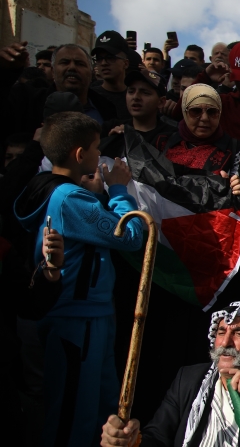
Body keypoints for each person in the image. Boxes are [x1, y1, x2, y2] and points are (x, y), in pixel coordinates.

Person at [13, 111, 143, 447]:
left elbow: (87, 234)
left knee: (101, 407)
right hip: (77, 318)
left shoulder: (58, 191)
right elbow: (130, 235)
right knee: (73, 415)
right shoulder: (69, 198)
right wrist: (118, 190)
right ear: (80, 154)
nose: (101, 155)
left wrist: (97, 197)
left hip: (90, 314)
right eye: (97, 148)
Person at [99, 302, 240, 447]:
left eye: (239, 333)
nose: (225, 343)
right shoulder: (190, 379)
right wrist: (130, 441)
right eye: (221, 332)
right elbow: (157, 438)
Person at [165, 84, 240, 175]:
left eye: (212, 112)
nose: (205, 118)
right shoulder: (163, 142)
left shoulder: (237, 151)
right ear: (184, 112)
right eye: (196, 111)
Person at [101, 68, 178, 157]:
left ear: (161, 102)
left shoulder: (171, 136)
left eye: (145, 93)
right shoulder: (112, 129)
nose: (136, 97)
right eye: (131, 91)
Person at [90, 30, 133, 121]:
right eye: (99, 58)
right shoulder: (89, 97)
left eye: (110, 57)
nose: (103, 63)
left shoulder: (136, 98)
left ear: (126, 63)